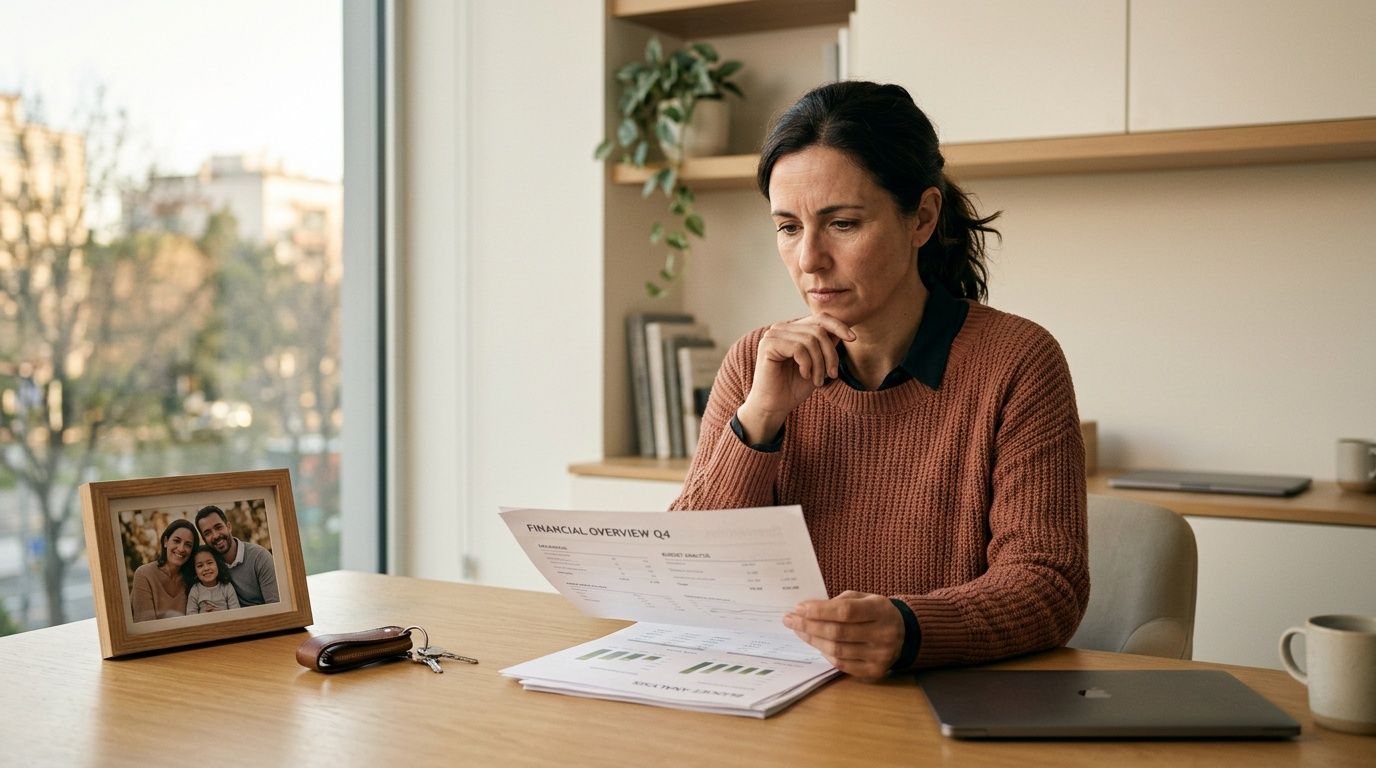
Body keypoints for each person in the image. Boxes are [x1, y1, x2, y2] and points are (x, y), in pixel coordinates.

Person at [671, 81, 1089, 680]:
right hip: (771, 698)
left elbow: (1049, 584)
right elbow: (684, 572)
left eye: (841, 223)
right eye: (788, 227)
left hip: (937, 704)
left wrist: (910, 628)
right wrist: (758, 420)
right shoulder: (753, 362)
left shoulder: (1018, 361)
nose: (809, 259)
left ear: (921, 217)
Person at [194, 505, 279, 606]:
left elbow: (275, 606)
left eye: (218, 527)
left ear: (229, 526)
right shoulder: (208, 566)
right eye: (208, 533)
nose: (216, 535)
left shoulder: (260, 557)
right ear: (204, 540)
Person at [130, 519, 198, 622]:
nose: (181, 548)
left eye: (188, 545)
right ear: (166, 541)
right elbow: (145, 625)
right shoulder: (144, 574)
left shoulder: (193, 578)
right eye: (177, 541)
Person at [185, 545, 242, 615]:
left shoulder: (227, 587)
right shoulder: (195, 590)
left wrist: (219, 614)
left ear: (217, 564)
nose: (206, 568)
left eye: (209, 563)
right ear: (195, 571)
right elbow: (190, 618)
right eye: (200, 566)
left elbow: (237, 613)